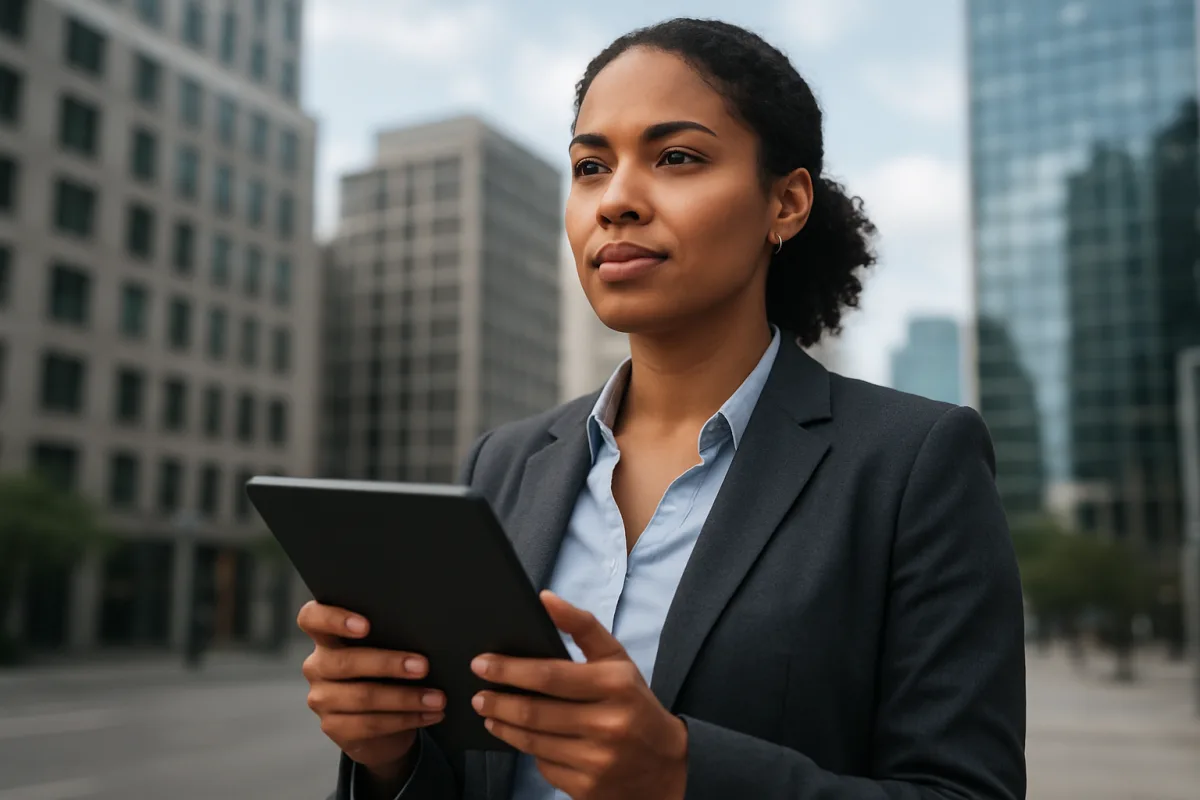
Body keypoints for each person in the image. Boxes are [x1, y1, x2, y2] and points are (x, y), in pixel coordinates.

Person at [301, 17, 1027, 800]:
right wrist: (388, 755)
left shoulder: (915, 462)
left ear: (785, 203)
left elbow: (969, 791)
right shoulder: (505, 463)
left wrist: (685, 773)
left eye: (676, 157)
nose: (616, 200)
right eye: (589, 166)